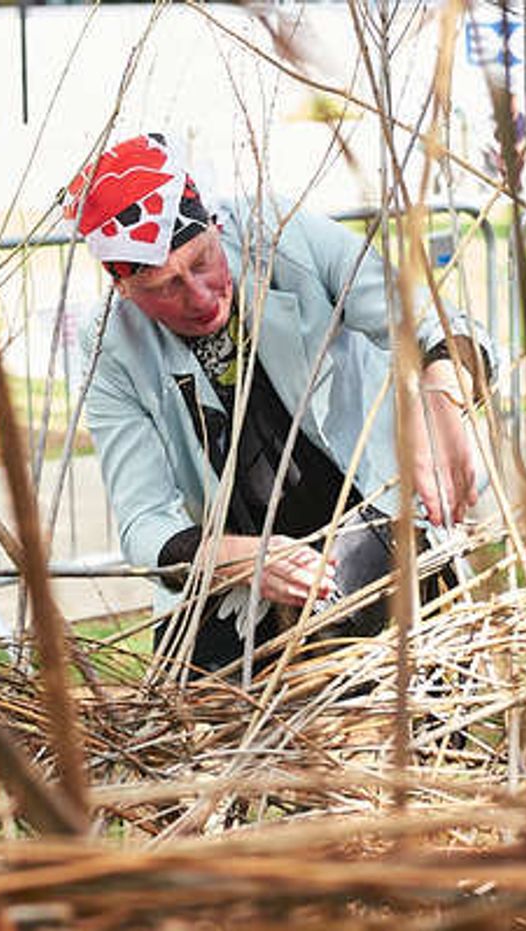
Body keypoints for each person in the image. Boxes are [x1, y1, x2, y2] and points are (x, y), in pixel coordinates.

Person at [66, 133, 494, 676]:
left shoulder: (279, 234)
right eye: (166, 286)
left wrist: (441, 397)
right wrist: (243, 560)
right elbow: (145, 525)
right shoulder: (108, 344)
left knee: (371, 668)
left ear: (214, 226)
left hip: (366, 512)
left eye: (202, 261)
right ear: (123, 287)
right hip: (234, 564)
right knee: (194, 702)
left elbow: (439, 325)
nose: (199, 296)